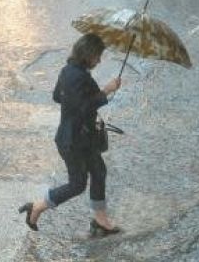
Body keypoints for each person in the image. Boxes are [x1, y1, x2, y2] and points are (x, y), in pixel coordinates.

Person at [19, 33, 123, 236]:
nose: (99, 60)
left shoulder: (69, 71)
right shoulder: (80, 76)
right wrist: (106, 91)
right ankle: (37, 207)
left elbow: (58, 96)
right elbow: (82, 108)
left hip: (81, 138)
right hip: (73, 142)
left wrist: (82, 97)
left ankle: (101, 220)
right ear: (88, 55)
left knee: (99, 171)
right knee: (77, 184)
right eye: (97, 56)